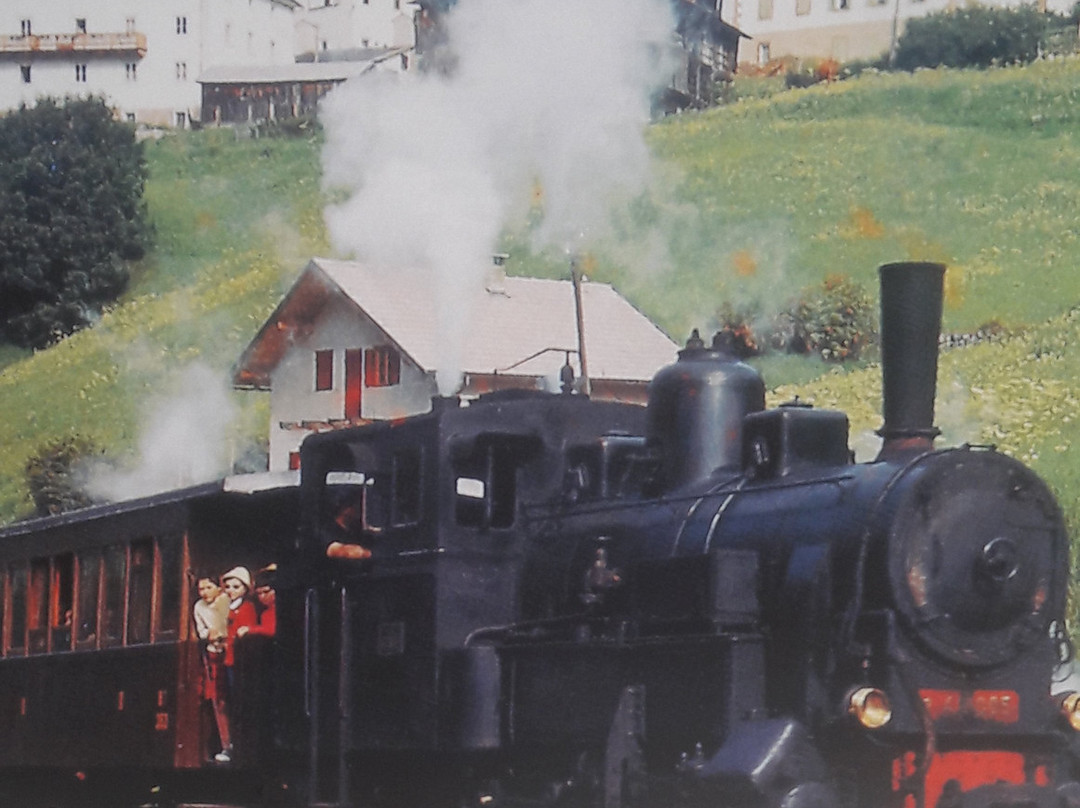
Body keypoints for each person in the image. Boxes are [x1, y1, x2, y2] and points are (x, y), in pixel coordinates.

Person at [219, 566, 257, 764]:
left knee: (240, 703)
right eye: (228, 586)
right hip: (230, 660)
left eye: (236, 586)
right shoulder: (230, 607)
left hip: (239, 662)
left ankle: (239, 746)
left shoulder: (247, 608)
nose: (231, 590)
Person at [192, 574, 231, 763]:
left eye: (208, 588)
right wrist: (209, 635)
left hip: (229, 650)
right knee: (216, 698)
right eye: (201, 589)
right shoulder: (198, 607)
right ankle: (225, 744)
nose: (205, 592)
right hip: (213, 653)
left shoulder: (227, 601)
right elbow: (202, 630)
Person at [238, 566, 276, 638]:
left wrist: (251, 630)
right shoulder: (265, 614)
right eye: (259, 593)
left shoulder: (285, 610)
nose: (262, 596)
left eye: (266, 592)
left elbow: (276, 630)